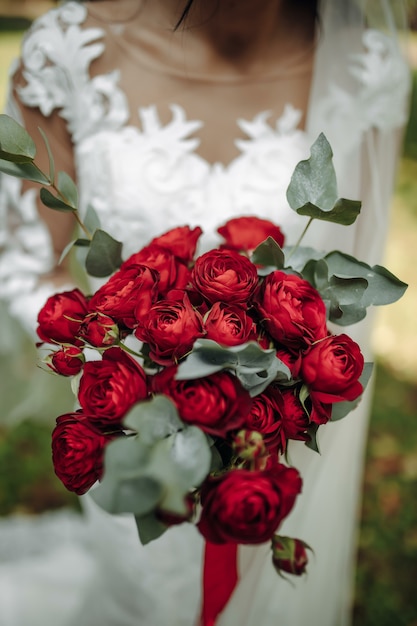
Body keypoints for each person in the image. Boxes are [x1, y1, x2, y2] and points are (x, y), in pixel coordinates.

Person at [0, 1, 411, 625]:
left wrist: (268, 393)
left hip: (278, 443)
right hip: (136, 433)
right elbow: (29, 269)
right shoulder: (68, 55)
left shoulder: (367, 66)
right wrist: (140, 373)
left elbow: (348, 298)